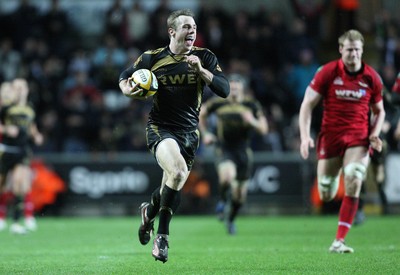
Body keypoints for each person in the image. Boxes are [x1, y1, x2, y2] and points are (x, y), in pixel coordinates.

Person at [118, 9, 229, 263]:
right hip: (160, 127)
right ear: (172, 31)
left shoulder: (205, 57)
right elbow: (124, 77)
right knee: (177, 172)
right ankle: (163, 236)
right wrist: (128, 91)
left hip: (190, 134)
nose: (192, 31)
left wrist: (201, 70)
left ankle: (149, 212)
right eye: (187, 27)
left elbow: (224, 89)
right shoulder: (152, 58)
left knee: (172, 184)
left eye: (194, 27)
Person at [299, 29, 385, 253]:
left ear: (362, 50)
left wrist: (374, 132)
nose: (353, 54)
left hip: (358, 136)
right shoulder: (327, 72)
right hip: (331, 136)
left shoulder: (372, 77)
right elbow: (307, 104)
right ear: (340, 50)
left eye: (357, 50)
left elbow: (380, 111)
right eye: (349, 50)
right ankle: (336, 172)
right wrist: (305, 136)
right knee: (326, 191)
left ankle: (339, 240)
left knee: (355, 176)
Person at [199, 74, 268, 235]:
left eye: (237, 87)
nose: (234, 90)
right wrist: (206, 133)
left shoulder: (251, 105)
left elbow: (264, 129)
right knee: (227, 178)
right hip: (224, 148)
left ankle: (231, 219)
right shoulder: (218, 103)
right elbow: (201, 113)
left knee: (239, 197)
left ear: (243, 89)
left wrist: (252, 122)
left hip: (243, 150)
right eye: (232, 87)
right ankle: (223, 201)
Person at [0, 78, 43, 234]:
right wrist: (6, 130)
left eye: (22, 88)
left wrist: (37, 136)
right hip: (6, 150)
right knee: (2, 186)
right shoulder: (6, 108)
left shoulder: (30, 109)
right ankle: (2, 216)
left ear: (26, 90)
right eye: (16, 88)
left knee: (19, 184)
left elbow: (31, 127)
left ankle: (17, 223)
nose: (19, 91)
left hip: (22, 150)